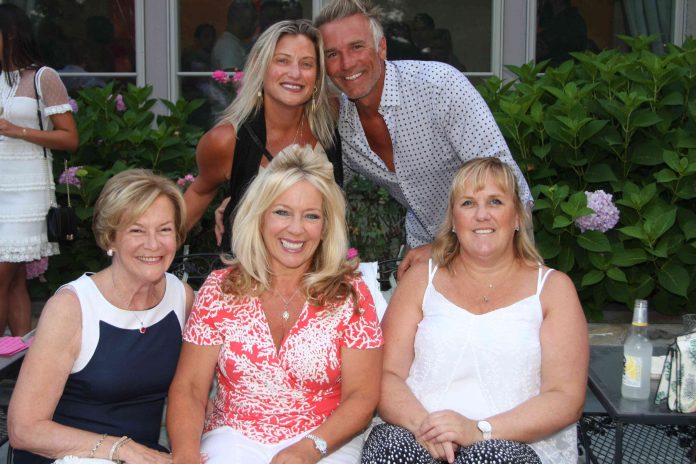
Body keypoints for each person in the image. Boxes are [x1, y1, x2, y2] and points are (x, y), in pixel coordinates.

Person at [361, 157, 588, 464]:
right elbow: (385, 373)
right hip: (418, 434)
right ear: (454, 220)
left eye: (495, 201)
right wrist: (426, 428)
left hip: (511, 443)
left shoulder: (553, 290)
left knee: (488, 458)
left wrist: (479, 431)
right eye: (468, 203)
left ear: (517, 217)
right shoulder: (420, 279)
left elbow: (565, 397)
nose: (482, 215)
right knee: (390, 446)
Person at [167, 145, 383, 464]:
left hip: (325, 440)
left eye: (311, 216)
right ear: (260, 217)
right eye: (282, 212)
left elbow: (362, 396)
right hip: (234, 435)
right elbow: (189, 388)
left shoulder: (350, 294)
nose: (296, 229)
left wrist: (308, 449)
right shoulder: (219, 290)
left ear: (325, 227)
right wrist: (185, 454)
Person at [314, 0, 532, 278]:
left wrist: (445, 246)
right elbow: (321, 193)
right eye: (332, 54)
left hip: (494, 241)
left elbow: (507, 188)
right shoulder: (340, 122)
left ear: (382, 48)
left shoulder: (439, 87)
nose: (346, 64)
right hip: (423, 248)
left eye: (357, 47)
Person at [8, 169, 194, 464]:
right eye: (136, 230)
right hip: (66, 455)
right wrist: (122, 448)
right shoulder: (72, 308)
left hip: (142, 456)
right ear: (111, 238)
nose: (153, 244)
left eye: (164, 229)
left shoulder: (180, 297)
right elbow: (24, 430)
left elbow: (194, 390)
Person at [183, 19, 343, 251]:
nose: (295, 73)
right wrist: (151, 251)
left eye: (307, 64)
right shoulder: (227, 141)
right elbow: (198, 195)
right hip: (247, 270)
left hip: (322, 268)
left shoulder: (331, 125)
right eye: (282, 60)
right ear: (260, 66)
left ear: (317, 76)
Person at [0, 4, 78, 336]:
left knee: (3, 275)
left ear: (10, 34)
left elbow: (69, 138)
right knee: (14, 279)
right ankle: (19, 354)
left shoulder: (42, 77)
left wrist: (17, 130)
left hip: (27, 191)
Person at [211, 2, 258, 71]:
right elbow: (230, 75)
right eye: (252, 20)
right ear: (241, 20)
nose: (256, 24)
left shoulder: (233, 42)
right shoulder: (228, 45)